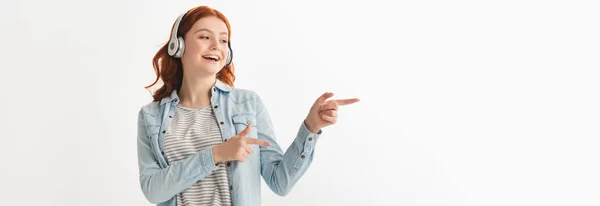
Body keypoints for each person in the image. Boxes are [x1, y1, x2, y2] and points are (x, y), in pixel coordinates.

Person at [136, 5, 359, 206]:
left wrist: (310, 127)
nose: (216, 46)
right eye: (205, 37)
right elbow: (153, 191)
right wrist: (215, 154)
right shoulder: (151, 116)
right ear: (178, 45)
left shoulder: (247, 104)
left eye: (223, 40)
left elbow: (280, 182)